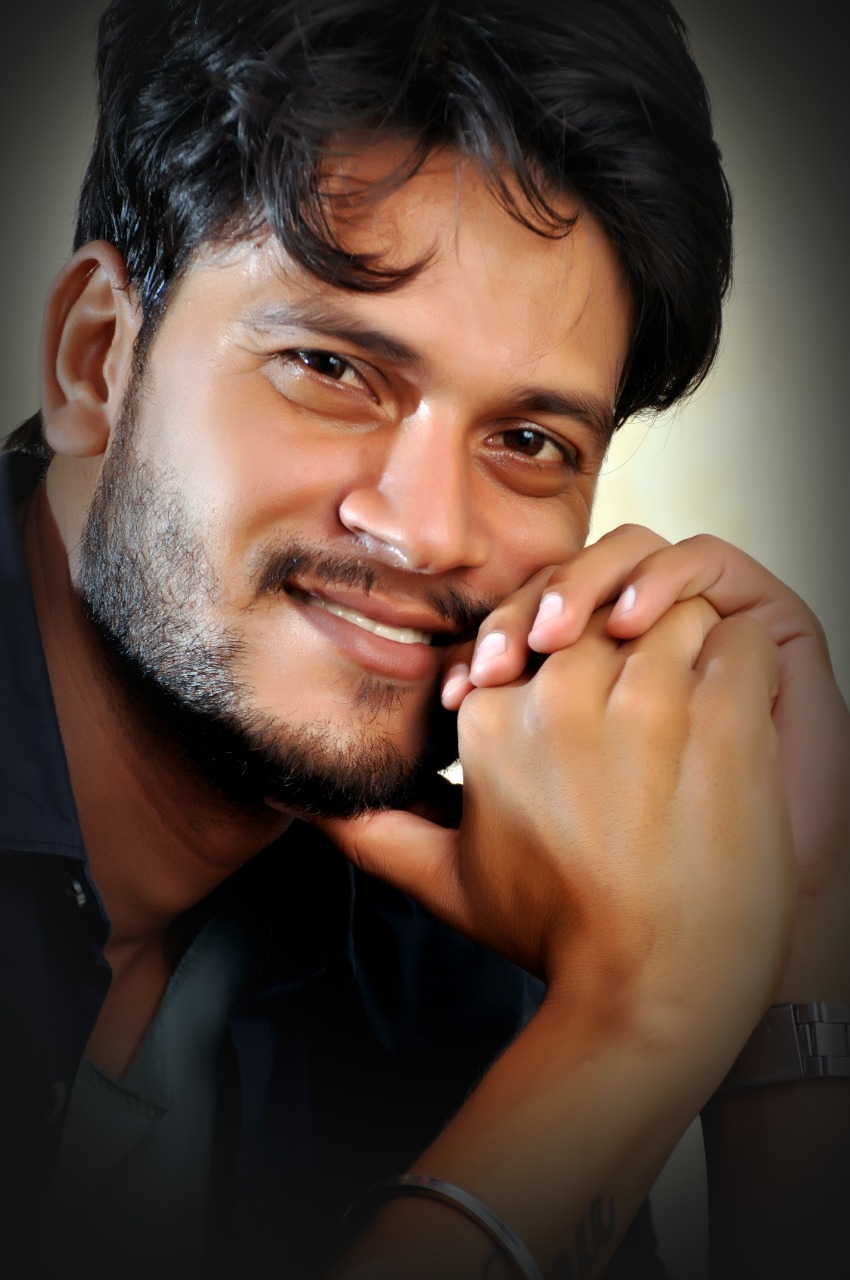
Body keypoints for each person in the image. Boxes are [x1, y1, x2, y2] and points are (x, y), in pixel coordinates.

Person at [1, 1, 847, 1278]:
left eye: (528, 441)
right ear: (95, 360)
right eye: (332, 368)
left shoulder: (497, 945)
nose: (428, 528)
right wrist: (631, 1028)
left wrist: (790, 939)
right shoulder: (609, 996)